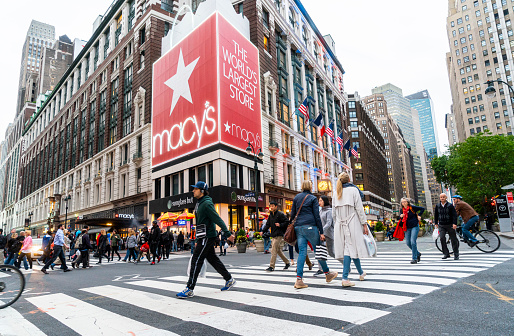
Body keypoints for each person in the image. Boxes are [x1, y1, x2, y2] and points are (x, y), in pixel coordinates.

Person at [176, 181, 236, 299]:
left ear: (202, 191)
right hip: (203, 236)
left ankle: (189, 288)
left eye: (195, 189)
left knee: (196, 259)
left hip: (207, 236)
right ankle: (229, 279)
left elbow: (217, 219)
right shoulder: (199, 203)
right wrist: (198, 237)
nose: (193, 191)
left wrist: (228, 234)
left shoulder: (207, 204)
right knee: (213, 259)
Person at [290, 180, 338, 289]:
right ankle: (327, 273)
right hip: (311, 227)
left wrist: (295, 225)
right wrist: (321, 232)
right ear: (310, 187)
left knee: (302, 252)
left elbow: (292, 214)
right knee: (318, 250)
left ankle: (299, 279)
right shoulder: (312, 198)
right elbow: (317, 216)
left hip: (299, 227)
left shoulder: (297, 197)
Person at [332, 172, 371, 287]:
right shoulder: (354, 191)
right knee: (348, 250)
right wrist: (364, 224)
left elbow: (333, 213)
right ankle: (345, 278)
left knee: (349, 248)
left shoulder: (335, 193)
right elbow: (359, 209)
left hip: (340, 223)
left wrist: (336, 225)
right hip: (352, 222)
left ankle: (361, 272)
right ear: (349, 179)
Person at [262, 201, 290, 272]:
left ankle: (272, 266)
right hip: (273, 235)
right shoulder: (270, 215)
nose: (271, 207)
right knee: (278, 250)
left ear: (276, 206)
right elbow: (268, 224)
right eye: (270, 206)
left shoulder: (280, 214)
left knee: (273, 250)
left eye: (272, 206)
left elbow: (287, 222)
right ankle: (287, 262)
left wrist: (280, 225)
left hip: (279, 235)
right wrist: (263, 231)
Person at [314, 195, 339, 277]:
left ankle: (346, 263)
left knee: (331, 253)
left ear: (325, 201)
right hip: (321, 234)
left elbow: (329, 223)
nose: (319, 202)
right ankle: (320, 269)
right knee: (319, 251)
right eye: (319, 201)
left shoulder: (329, 211)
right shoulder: (320, 211)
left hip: (329, 234)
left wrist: (322, 231)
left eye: (321, 200)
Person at [399, 198, 425, 264]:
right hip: (407, 227)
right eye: (402, 202)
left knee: (413, 242)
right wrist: (401, 216)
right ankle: (418, 253)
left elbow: (422, 209)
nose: (403, 203)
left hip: (414, 226)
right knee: (408, 243)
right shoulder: (401, 210)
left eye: (405, 202)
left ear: (408, 202)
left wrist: (419, 215)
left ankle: (414, 258)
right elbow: (402, 219)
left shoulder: (412, 207)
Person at [434, 193, 459, 260]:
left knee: (453, 239)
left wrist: (454, 223)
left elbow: (454, 215)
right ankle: (446, 253)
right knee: (442, 238)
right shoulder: (438, 205)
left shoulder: (450, 205)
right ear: (439, 198)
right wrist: (436, 223)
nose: (442, 198)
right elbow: (436, 215)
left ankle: (456, 254)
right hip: (441, 225)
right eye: (441, 197)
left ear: (446, 198)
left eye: (443, 197)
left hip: (450, 224)